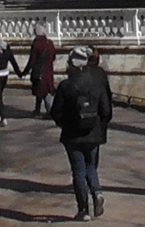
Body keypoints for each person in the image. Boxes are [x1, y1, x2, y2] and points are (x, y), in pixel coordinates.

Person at [52, 46, 113, 222]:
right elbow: (106, 110)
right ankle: (97, 193)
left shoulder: (66, 86)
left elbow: (56, 112)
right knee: (91, 166)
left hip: (72, 135)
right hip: (93, 133)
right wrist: (99, 126)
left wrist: (65, 125)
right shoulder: (97, 82)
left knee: (78, 171)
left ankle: (83, 210)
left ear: (71, 64)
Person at [20, 24, 57, 117]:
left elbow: (31, 61)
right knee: (45, 91)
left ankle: (49, 111)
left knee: (41, 92)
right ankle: (38, 110)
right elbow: (54, 57)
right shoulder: (50, 43)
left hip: (39, 72)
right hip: (48, 72)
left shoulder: (36, 44)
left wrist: (24, 72)